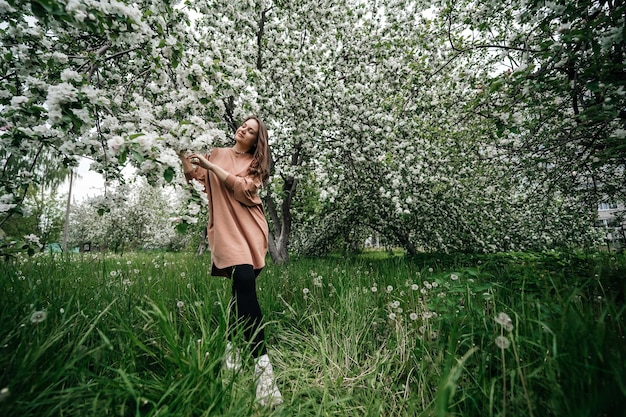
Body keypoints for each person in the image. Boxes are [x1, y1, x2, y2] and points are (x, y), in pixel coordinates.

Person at [179, 116, 282, 407]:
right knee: (243, 284)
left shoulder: (254, 164)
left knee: (241, 291)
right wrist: (180, 153)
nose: (243, 130)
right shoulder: (218, 152)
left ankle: (233, 358)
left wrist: (210, 166)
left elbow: (244, 190)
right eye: (243, 126)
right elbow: (195, 177)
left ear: (255, 140)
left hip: (249, 228)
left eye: (250, 131)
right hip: (225, 229)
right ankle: (265, 374)